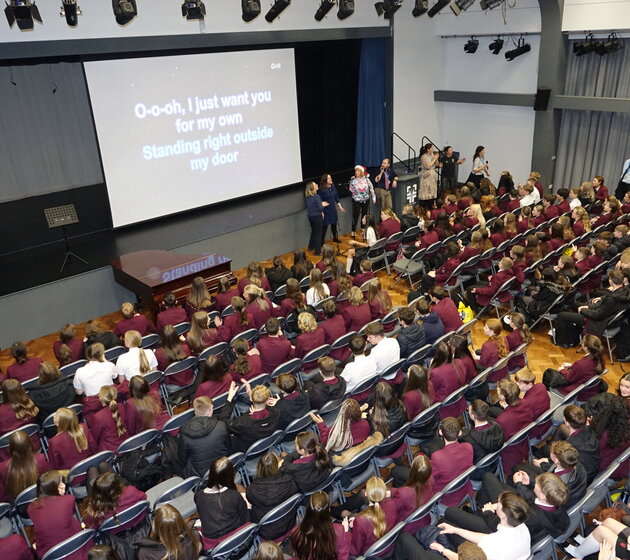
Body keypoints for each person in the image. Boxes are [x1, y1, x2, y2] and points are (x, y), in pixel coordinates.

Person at [433, 492, 531, 560]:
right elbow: (486, 539)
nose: (496, 503)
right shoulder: (522, 526)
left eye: (498, 503)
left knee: (442, 522)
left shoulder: (493, 545)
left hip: (482, 555)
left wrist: (442, 550)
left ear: (503, 515)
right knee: (449, 525)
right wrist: (455, 530)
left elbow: (467, 558)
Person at [194, 456, 248, 550]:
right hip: (237, 538)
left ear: (211, 474)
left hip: (213, 545)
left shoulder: (198, 496)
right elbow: (244, 518)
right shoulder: (234, 495)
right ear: (230, 475)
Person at [28, 470, 82, 559]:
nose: (64, 484)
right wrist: (61, 495)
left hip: (50, 554)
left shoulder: (31, 507)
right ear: (54, 487)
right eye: (60, 482)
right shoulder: (69, 500)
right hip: (74, 548)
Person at [246, 452, 298, 540]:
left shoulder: (253, 489)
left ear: (259, 467)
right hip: (289, 522)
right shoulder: (290, 480)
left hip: (267, 530)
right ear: (277, 465)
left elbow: (251, 501)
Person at [290, 491, 350, 560]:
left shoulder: (296, 532)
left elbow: (297, 555)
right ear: (329, 510)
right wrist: (345, 533)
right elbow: (343, 557)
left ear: (308, 509)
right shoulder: (339, 530)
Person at [180, 396, 230, 478]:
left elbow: (182, 458)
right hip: (222, 469)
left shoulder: (185, 433)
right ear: (208, 412)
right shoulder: (221, 425)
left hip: (200, 476)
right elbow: (228, 447)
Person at [348, 477, 398, 557]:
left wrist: (346, 532)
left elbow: (354, 550)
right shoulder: (392, 504)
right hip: (389, 548)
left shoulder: (361, 521)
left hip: (370, 555)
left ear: (366, 494)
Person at [82, 470, 147, 532]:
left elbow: (89, 527)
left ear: (96, 493)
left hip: (116, 534)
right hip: (138, 522)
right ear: (118, 484)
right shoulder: (131, 491)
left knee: (92, 469)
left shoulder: (96, 511)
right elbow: (144, 498)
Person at [137, 503, 202, 560]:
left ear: (155, 527)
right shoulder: (194, 537)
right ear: (180, 521)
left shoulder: (145, 554)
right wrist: (192, 521)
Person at [73, 343, 121, 418]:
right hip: (111, 398)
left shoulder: (80, 371)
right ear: (102, 354)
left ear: (88, 356)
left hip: (93, 406)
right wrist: (105, 360)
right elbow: (115, 376)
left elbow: (79, 392)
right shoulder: (109, 365)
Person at [227, 384, 280, 452]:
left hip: (247, 451)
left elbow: (225, 424)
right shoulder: (276, 412)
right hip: (265, 447)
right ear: (268, 400)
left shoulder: (243, 422)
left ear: (251, 399)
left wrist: (229, 399)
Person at [459, 400, 504, 480]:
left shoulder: (468, 439)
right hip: (495, 465)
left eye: (468, 411)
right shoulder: (497, 427)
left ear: (473, 416)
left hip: (478, 473)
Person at [0, 429, 49, 502]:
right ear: (30, 443)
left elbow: (3, 495)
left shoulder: (2, 467)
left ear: (11, 448)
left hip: (20, 505)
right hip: (41, 497)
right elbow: (48, 480)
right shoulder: (41, 459)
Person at [90, 385, 128, 452]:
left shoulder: (98, 417)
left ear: (101, 398)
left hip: (110, 451)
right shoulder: (122, 406)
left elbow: (96, 438)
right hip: (126, 444)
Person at [349, 165, 375, 236]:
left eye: (358, 171)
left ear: (361, 172)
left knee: (364, 214)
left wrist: (373, 197)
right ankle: (353, 230)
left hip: (365, 200)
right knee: (356, 215)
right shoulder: (353, 181)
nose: (356, 172)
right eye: (356, 171)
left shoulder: (367, 180)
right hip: (357, 201)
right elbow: (351, 190)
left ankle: (363, 228)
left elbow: (371, 188)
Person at [319, 173, 345, 244]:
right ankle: (321, 241)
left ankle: (335, 238)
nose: (331, 179)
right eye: (329, 178)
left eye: (331, 177)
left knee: (334, 224)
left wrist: (340, 206)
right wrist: (321, 211)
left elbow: (336, 197)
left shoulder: (333, 186)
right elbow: (319, 200)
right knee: (325, 226)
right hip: (326, 210)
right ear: (325, 180)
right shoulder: (321, 189)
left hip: (332, 208)